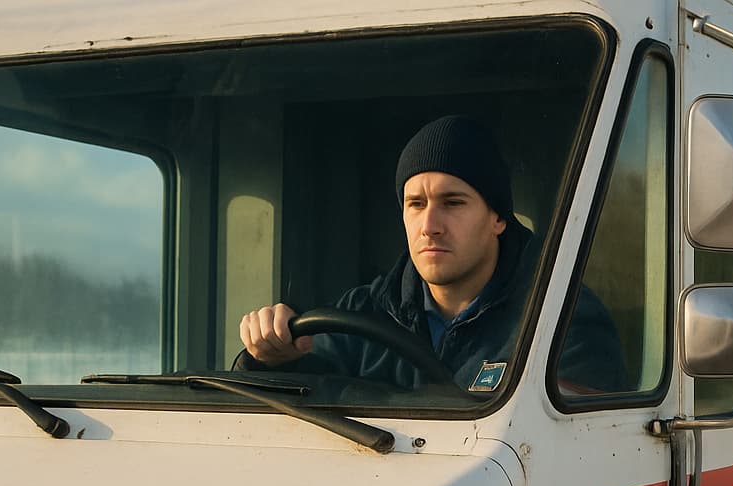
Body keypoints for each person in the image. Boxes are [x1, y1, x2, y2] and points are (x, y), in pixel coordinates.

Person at [237, 115, 625, 394]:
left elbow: (573, 448)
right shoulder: (360, 312)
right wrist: (268, 357)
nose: (430, 225)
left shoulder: (560, 318)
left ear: (498, 220)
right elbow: (288, 412)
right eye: (415, 204)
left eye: (452, 203)